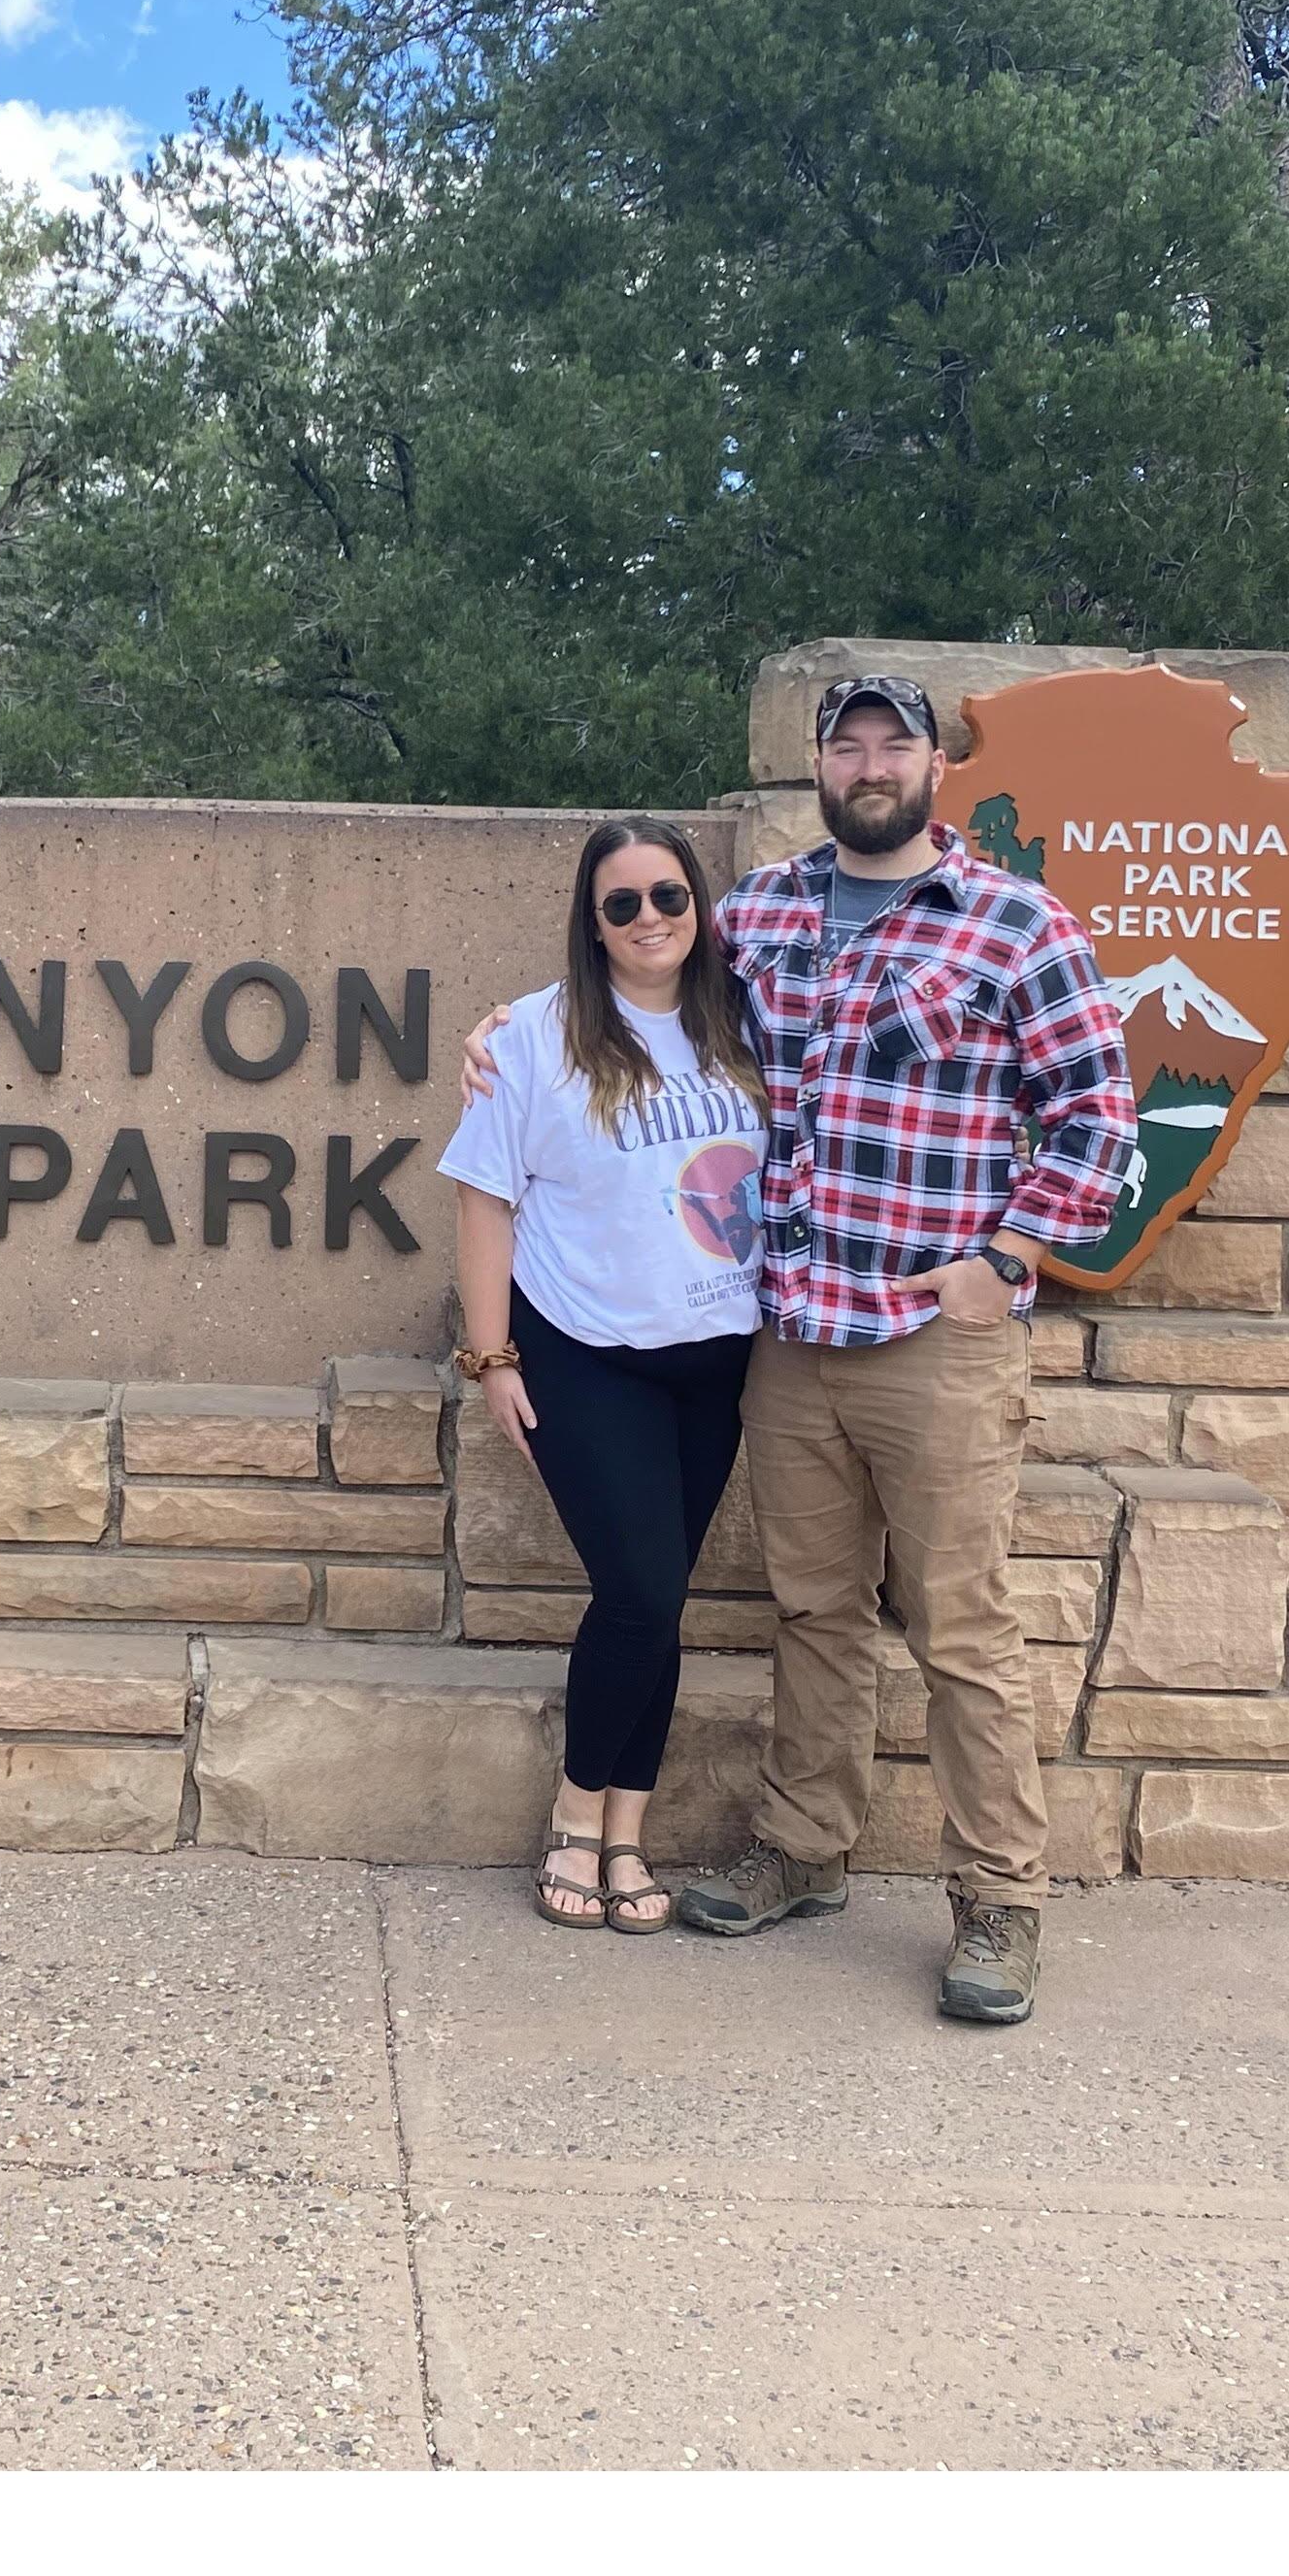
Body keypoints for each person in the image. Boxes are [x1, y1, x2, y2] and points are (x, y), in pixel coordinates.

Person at [462, 674, 1137, 2024]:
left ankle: (1000, 1899)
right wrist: (498, 1030)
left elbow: (1099, 1113)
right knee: (815, 1614)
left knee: (961, 1630)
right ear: (820, 763)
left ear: (936, 761)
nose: (873, 762)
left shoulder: (1015, 923)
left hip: (932, 1342)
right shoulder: (758, 913)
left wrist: (1009, 1260)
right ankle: (804, 1848)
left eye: (897, 741)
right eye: (850, 742)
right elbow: (624, 985)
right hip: (786, 1333)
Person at [436, 817, 767, 1936]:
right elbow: (485, 1198)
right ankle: (579, 1814)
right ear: (591, 920)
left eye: (667, 896)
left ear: (699, 904)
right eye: (620, 904)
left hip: (718, 1359)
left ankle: (632, 1829)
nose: (648, 921)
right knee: (634, 1592)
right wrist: (493, 1359)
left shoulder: (746, 1019)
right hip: (585, 1353)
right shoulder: (534, 1034)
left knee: (661, 1601)